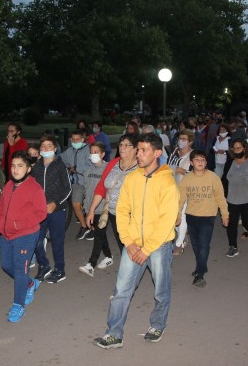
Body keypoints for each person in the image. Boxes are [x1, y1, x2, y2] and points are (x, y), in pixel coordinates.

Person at [94, 133, 179, 349]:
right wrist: (129, 242)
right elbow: (121, 210)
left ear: (157, 153)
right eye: (138, 149)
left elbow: (167, 221)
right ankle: (114, 334)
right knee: (121, 290)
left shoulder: (168, 182)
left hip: (158, 246)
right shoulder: (132, 178)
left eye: (143, 150)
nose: (138, 154)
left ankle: (158, 324)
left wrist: (148, 248)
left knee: (161, 289)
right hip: (133, 244)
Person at [0, 151, 48, 322]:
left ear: (28, 169)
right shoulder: (8, 185)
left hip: (26, 235)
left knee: (20, 270)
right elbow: (2, 207)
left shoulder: (35, 188)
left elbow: (41, 213)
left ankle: (18, 306)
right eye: (13, 166)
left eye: (20, 166)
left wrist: (19, 225)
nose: (15, 169)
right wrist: (0, 224)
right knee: (5, 265)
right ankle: (30, 283)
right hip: (6, 234)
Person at [84, 134, 139, 277]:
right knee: (123, 245)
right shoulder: (113, 163)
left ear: (136, 149)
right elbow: (101, 188)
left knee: (129, 246)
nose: (122, 148)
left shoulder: (140, 167)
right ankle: (128, 276)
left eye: (127, 145)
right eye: (121, 145)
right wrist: (91, 210)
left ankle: (127, 279)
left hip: (131, 216)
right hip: (113, 213)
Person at [178, 149, 228, 288]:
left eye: (203, 160)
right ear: (192, 162)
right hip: (191, 216)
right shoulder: (187, 179)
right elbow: (180, 199)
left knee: (204, 245)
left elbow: (220, 197)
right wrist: (177, 216)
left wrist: (225, 214)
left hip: (208, 216)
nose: (200, 162)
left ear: (206, 162)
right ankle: (202, 265)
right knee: (195, 245)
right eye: (197, 160)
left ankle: (200, 274)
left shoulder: (213, 177)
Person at [32, 135, 72, 284]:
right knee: (36, 239)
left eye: (49, 146)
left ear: (55, 149)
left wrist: (55, 203)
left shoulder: (60, 166)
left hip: (57, 210)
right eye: (43, 147)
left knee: (57, 241)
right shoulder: (36, 167)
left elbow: (67, 189)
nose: (46, 149)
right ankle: (44, 265)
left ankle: (60, 270)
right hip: (39, 211)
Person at [221, 138, 248, 257]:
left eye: (239, 148)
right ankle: (233, 246)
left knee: (247, 222)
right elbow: (224, 180)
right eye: (234, 148)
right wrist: (222, 196)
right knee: (231, 223)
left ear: (245, 148)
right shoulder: (230, 163)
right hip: (231, 199)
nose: (236, 150)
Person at [78, 142, 110, 277]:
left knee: (98, 235)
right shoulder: (88, 171)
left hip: (103, 209)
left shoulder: (108, 168)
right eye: (91, 152)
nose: (93, 155)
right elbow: (86, 190)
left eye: (96, 152)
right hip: (90, 208)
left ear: (102, 154)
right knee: (100, 234)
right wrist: (85, 207)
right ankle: (108, 256)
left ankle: (91, 264)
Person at [61, 129, 92, 240]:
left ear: (83, 139)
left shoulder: (89, 150)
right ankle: (84, 227)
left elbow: (92, 166)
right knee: (75, 204)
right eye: (73, 139)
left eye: (77, 139)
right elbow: (61, 159)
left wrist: (77, 168)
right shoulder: (70, 150)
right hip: (77, 182)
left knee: (90, 208)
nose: (74, 141)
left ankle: (92, 228)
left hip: (89, 183)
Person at [168, 129, 194, 255]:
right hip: (171, 188)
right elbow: (167, 166)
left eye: (184, 139)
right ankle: (182, 235)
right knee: (172, 216)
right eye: (180, 138)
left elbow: (197, 173)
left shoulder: (193, 156)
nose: (181, 141)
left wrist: (181, 170)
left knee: (181, 215)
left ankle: (179, 243)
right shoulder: (174, 152)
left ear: (190, 142)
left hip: (185, 189)